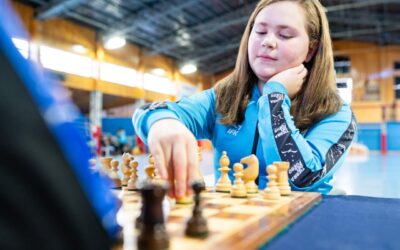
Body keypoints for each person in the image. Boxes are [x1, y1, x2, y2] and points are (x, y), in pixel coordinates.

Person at [133, 0, 356, 198]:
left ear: (311, 49)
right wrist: (163, 124)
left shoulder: (336, 113)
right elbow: (151, 110)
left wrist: (275, 97)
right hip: (234, 225)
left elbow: (301, 177)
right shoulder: (222, 98)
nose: (268, 42)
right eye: (259, 32)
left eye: (285, 35)